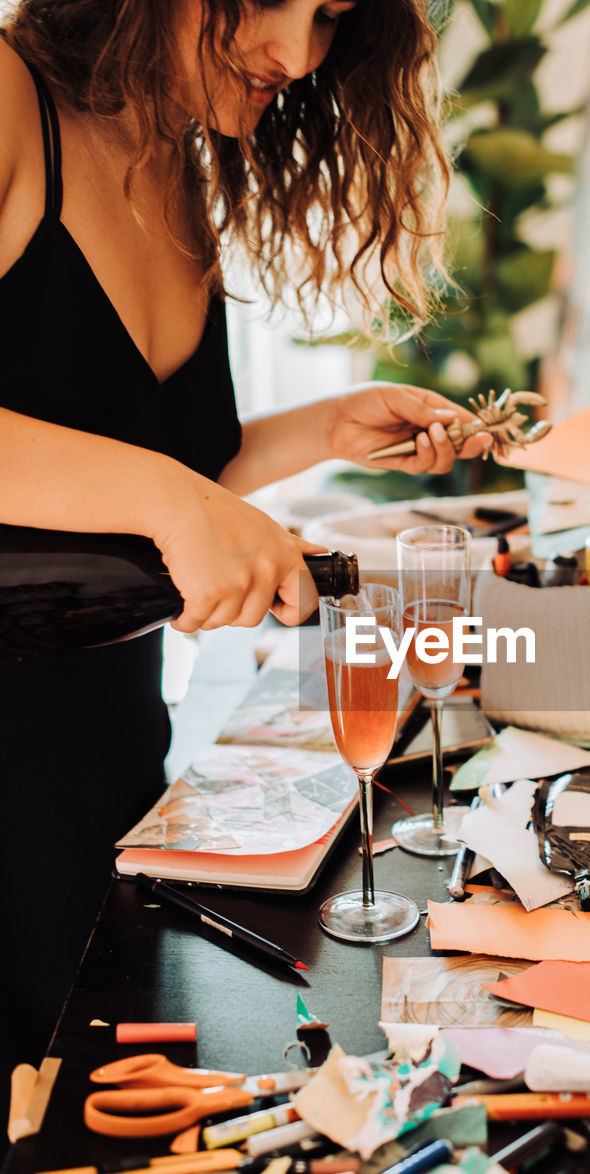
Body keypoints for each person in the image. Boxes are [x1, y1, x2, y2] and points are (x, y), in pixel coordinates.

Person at [0, 0, 492, 1087]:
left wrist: (321, 428)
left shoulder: (175, 153)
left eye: (328, 18)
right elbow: (148, 487)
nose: (298, 56)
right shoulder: (6, 103)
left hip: (107, 763)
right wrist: (168, 496)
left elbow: (132, 467)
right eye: (267, 3)